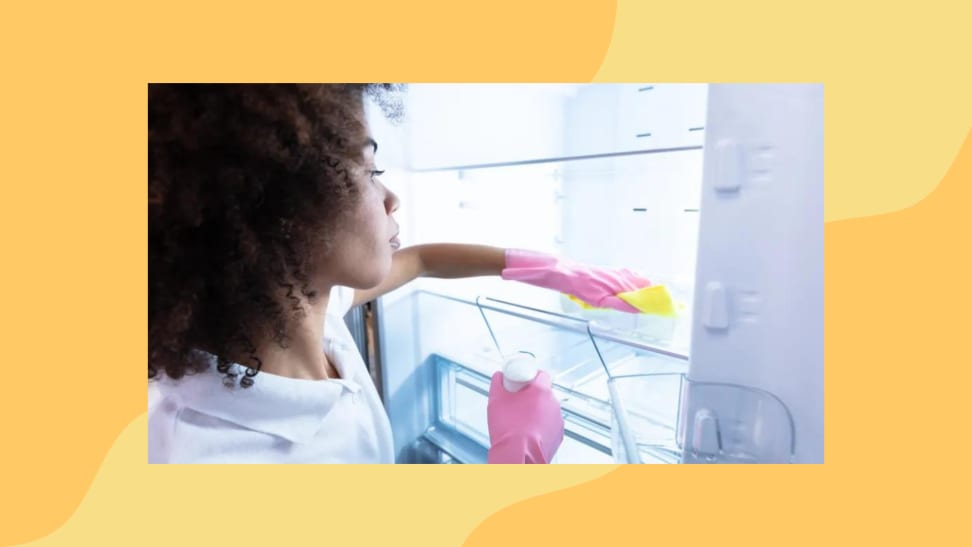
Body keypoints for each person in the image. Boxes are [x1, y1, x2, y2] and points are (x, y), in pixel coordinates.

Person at [148, 84, 650, 464]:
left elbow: (421, 260)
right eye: (370, 172)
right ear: (285, 211)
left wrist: (550, 270)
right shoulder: (205, 457)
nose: (391, 198)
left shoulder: (301, 314)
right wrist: (516, 460)